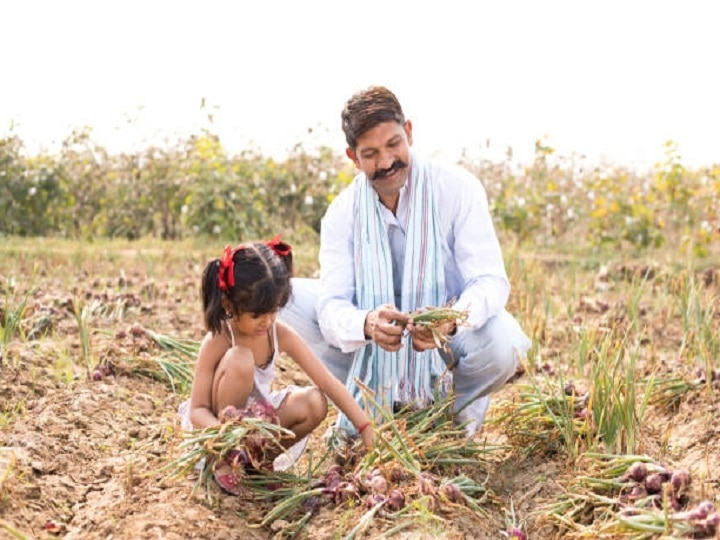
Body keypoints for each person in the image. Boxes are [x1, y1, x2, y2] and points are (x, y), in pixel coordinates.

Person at [280, 86, 531, 437]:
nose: (385, 162)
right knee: (284, 297)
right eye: (370, 153)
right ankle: (369, 398)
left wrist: (449, 321)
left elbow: (490, 280)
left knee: (505, 342)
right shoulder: (342, 212)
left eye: (393, 145)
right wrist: (366, 323)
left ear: (409, 132)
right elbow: (333, 305)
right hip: (373, 350)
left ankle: (446, 417)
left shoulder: (457, 188)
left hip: (446, 344)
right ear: (353, 156)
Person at [179, 235, 374, 496]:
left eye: (273, 311)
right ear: (228, 305)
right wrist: (227, 434)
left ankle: (258, 463)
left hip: (258, 426)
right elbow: (198, 409)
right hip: (219, 432)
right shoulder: (219, 339)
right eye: (256, 315)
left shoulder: (278, 334)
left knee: (315, 401)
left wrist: (365, 427)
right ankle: (225, 463)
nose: (267, 321)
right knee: (241, 358)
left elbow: (327, 382)